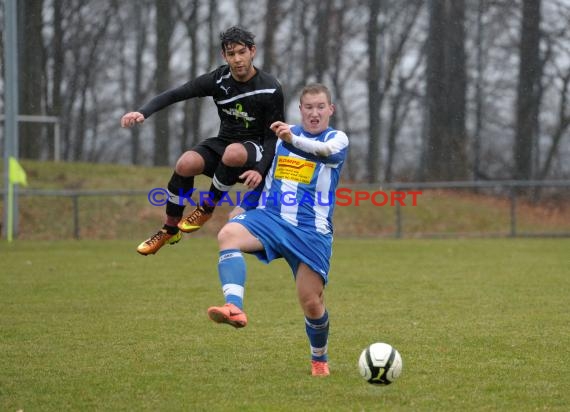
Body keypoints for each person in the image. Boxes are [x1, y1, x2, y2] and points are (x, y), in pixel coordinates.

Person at [206, 83, 349, 377]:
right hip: (271, 218)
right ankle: (234, 307)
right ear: (300, 110)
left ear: (330, 110)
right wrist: (244, 207)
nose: (314, 113)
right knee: (227, 235)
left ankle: (319, 359)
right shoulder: (282, 139)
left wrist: (291, 138)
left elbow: (322, 152)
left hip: (311, 232)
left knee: (311, 303)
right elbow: (266, 178)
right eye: (308, 107)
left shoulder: (336, 139)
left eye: (320, 107)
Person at [121, 26, 285, 255]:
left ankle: (207, 207)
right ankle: (169, 230)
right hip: (225, 142)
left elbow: (273, 137)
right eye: (231, 54)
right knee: (185, 163)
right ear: (224, 56)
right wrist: (143, 112)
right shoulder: (218, 80)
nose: (237, 59)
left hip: (254, 151)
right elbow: (177, 93)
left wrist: (260, 168)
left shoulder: (270, 87)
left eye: (241, 52)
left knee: (233, 153)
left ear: (252, 51)